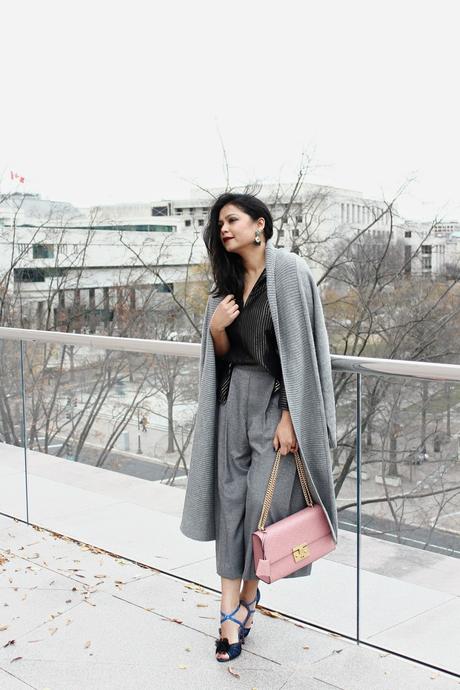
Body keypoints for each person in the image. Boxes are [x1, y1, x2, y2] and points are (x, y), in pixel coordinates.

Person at [179, 192, 338, 663]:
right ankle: (231, 610)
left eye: (232, 220)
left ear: (260, 225)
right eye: (219, 223)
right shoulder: (224, 285)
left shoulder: (288, 273)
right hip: (233, 403)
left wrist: (292, 413)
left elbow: (302, 351)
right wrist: (216, 328)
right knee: (230, 505)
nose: (224, 228)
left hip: (275, 403)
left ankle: (249, 599)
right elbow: (224, 360)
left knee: (257, 507)